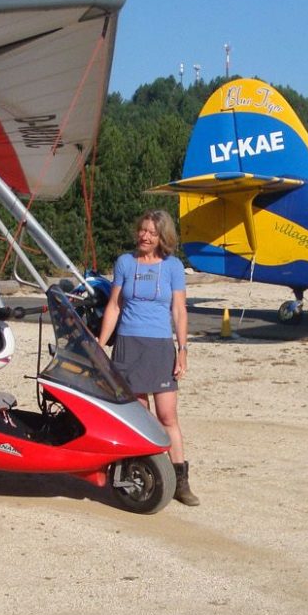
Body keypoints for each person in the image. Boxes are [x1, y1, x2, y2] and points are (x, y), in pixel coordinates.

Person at [97, 209, 199, 506]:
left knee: (167, 415)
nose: (145, 236)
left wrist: (182, 350)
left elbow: (179, 311)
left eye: (152, 233)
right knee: (138, 417)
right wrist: (100, 344)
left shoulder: (173, 267)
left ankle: (180, 481)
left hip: (159, 347)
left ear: (162, 237)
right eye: (142, 230)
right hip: (128, 346)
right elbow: (114, 306)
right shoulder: (125, 262)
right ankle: (140, 476)